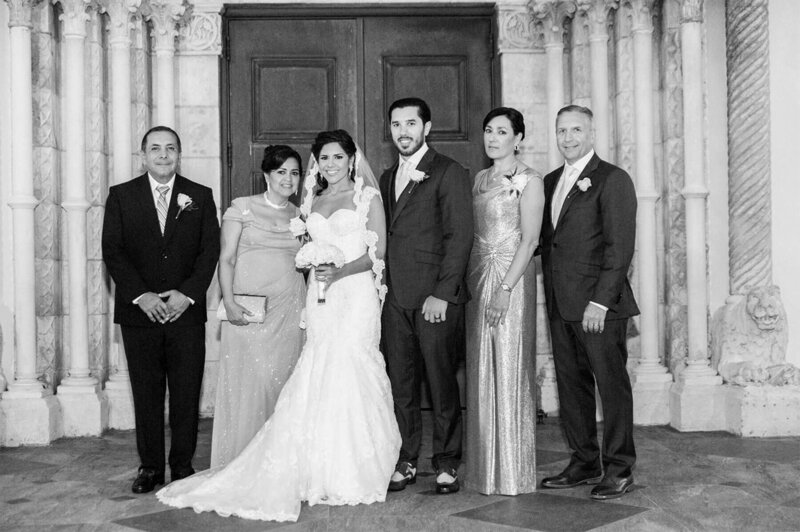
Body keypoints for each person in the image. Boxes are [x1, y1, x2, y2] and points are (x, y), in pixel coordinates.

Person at [156, 129, 400, 522]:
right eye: (325, 159)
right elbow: (268, 254)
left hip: (354, 297)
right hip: (318, 302)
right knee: (318, 372)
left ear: (352, 159)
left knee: (354, 368)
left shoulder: (367, 198)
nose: (332, 165)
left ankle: (356, 466)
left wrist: (338, 271)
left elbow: (379, 254)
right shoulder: (311, 202)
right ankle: (317, 467)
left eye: (339, 157)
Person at [101, 126, 220, 494]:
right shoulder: (121, 196)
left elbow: (209, 251)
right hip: (140, 316)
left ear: (179, 155)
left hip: (186, 314)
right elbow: (113, 251)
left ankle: (182, 465)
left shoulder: (200, 196)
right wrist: (143, 296)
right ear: (144, 155)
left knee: (186, 392)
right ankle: (150, 467)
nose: (163, 155)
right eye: (156, 149)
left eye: (170, 148)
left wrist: (186, 294)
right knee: (147, 394)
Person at [539, 105, 639, 500]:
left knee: (611, 387)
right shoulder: (549, 182)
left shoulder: (612, 179)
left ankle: (620, 467)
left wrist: (600, 302)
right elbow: (548, 242)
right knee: (572, 386)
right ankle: (583, 460)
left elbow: (620, 248)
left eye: (576, 130)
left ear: (592, 133)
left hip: (601, 307)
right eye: (562, 130)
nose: (568, 138)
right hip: (560, 304)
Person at [379, 97, 474, 494]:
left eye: (411, 123)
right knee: (400, 382)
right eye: (397, 124)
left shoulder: (448, 171)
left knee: (440, 383)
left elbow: (460, 236)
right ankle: (406, 459)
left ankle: (448, 462)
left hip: (435, 298)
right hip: (394, 298)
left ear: (427, 127)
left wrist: (443, 293)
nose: (403, 131)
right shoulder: (386, 178)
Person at [210, 145, 306, 468]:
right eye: (281, 172)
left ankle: (276, 463)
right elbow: (226, 258)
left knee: (282, 382)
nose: (287, 179)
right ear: (266, 175)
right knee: (252, 382)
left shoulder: (300, 216)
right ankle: (242, 462)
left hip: (289, 310)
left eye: (294, 173)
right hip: (248, 312)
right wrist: (229, 302)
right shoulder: (242, 208)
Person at [465, 107, 544, 495]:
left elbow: (530, 240)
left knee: (510, 367)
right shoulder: (480, 178)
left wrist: (506, 288)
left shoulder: (530, 180)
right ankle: (484, 471)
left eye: (501, 131)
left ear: (518, 138)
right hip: (478, 277)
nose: (492, 138)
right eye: (488, 130)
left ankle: (513, 473)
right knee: (481, 368)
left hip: (512, 278)